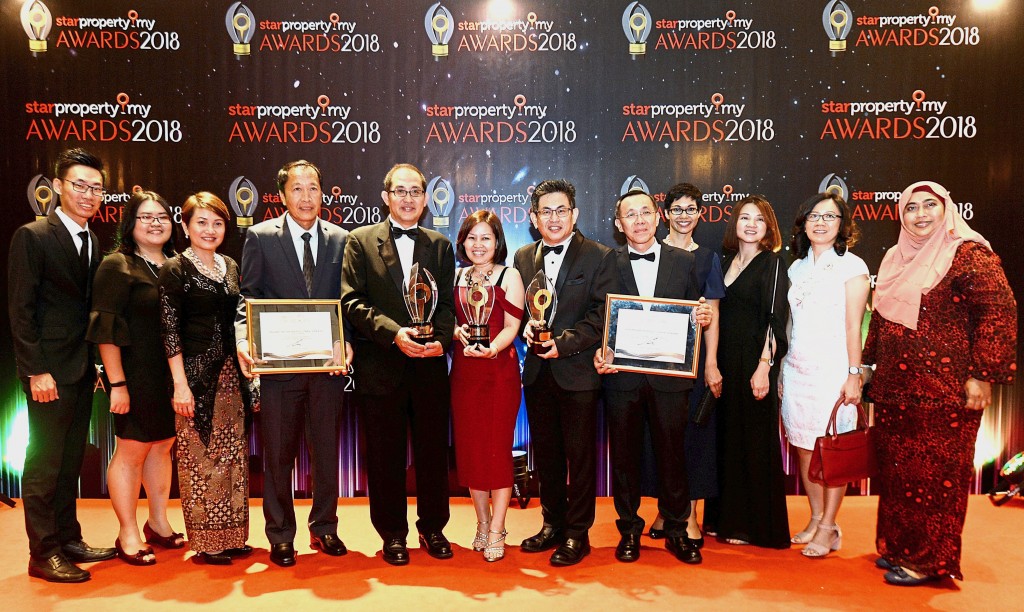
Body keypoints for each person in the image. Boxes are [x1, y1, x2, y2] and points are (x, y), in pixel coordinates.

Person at [863, 181, 1016, 586]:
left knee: (935, 477)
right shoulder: (895, 256)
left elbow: (998, 313)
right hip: (895, 387)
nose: (920, 214)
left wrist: (983, 374)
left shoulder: (969, 254)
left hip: (946, 390)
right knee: (899, 474)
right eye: (911, 207)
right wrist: (866, 364)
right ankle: (899, 547)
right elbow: (880, 318)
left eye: (929, 205)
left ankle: (928, 561)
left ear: (946, 209)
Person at [235, 161, 352, 567]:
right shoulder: (261, 236)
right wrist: (245, 340)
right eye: (297, 189)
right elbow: (248, 298)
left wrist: (347, 343)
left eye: (313, 188)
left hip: (326, 370)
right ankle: (281, 534)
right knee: (278, 457)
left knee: (327, 454)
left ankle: (325, 527)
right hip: (279, 370)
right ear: (282, 195)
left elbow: (348, 303)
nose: (306, 197)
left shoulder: (342, 239)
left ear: (323, 193)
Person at [340, 163, 456, 566]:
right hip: (381, 366)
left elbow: (447, 306)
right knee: (384, 457)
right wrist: (395, 334)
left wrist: (441, 342)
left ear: (426, 199)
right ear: (386, 197)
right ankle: (392, 533)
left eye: (415, 192)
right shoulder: (359, 241)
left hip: (429, 367)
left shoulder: (440, 245)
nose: (408, 198)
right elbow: (352, 301)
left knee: (432, 454)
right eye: (400, 191)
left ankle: (433, 528)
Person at [8, 148, 116, 582]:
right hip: (48, 372)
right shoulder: (33, 236)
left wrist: (95, 365)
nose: (89, 195)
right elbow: (21, 310)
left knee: (70, 460)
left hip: (81, 369)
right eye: (80, 185)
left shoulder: (93, 240)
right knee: (44, 463)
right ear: (57, 187)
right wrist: (36, 370)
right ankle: (43, 552)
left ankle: (69, 538)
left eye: (96, 188)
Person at [594, 190, 710, 565]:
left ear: (658, 217)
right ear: (619, 224)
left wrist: (702, 317)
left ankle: (677, 530)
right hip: (622, 377)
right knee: (624, 459)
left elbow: (693, 310)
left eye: (646, 212)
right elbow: (598, 316)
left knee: (673, 456)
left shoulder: (684, 260)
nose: (640, 220)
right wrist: (599, 350)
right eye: (631, 215)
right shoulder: (606, 262)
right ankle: (629, 531)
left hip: (670, 379)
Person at [513, 179, 617, 567]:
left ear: (574, 214)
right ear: (533, 217)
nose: (554, 218)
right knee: (548, 456)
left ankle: (577, 533)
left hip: (578, 373)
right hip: (538, 374)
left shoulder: (599, 256)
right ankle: (552, 523)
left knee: (580, 458)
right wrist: (524, 327)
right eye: (546, 211)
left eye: (561, 210)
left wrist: (564, 343)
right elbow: (520, 309)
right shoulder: (523, 256)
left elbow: (601, 314)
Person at [87, 190, 184, 566]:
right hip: (134, 375)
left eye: (162, 216)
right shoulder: (117, 265)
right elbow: (106, 330)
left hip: (171, 377)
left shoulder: (176, 264)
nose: (155, 223)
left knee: (162, 447)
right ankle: (127, 532)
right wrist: (117, 384)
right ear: (130, 224)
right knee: (131, 451)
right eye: (146, 217)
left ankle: (157, 522)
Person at [159, 192, 250, 565]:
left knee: (233, 455)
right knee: (200, 458)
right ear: (185, 226)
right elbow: (169, 330)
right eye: (201, 222)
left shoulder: (230, 266)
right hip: (194, 379)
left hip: (232, 377)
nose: (210, 230)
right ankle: (207, 541)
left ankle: (232, 536)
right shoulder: (175, 268)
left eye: (217, 223)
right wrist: (180, 384)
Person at [780, 192, 869, 558]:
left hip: (833, 371)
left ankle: (830, 526)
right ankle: (816, 518)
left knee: (832, 450)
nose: (820, 222)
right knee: (804, 447)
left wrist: (854, 374)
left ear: (842, 225)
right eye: (814, 216)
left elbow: (853, 326)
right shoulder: (795, 269)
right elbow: (790, 323)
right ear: (803, 224)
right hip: (797, 369)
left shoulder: (853, 267)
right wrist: (782, 367)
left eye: (830, 217)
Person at [647, 182, 726, 549]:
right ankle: (666, 509)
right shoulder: (651, 251)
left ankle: (690, 513)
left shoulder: (708, 258)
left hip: (693, 365)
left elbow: (714, 313)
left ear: (700, 215)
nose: (683, 215)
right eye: (676, 209)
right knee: (660, 436)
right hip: (656, 360)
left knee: (693, 437)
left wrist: (711, 363)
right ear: (665, 214)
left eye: (690, 209)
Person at [709, 195, 790, 549]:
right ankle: (723, 519)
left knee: (754, 443)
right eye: (745, 217)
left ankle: (754, 527)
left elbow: (775, 319)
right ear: (735, 223)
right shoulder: (725, 261)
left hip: (754, 363)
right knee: (727, 440)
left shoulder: (773, 263)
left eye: (759, 219)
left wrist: (764, 367)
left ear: (768, 227)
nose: (752, 224)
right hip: (725, 361)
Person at [450, 210, 525, 563]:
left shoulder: (510, 276)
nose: (478, 245)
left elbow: (512, 326)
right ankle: (481, 522)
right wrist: (456, 332)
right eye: (472, 238)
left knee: (496, 451)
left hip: (499, 373)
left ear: (498, 242)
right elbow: (446, 321)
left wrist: (492, 348)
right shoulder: (456, 276)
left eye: (486, 238)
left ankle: (498, 528)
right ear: (463, 242)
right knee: (471, 452)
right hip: (464, 374)